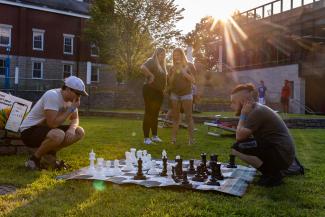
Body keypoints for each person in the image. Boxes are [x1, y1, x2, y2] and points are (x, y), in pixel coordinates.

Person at [229, 83, 296, 187]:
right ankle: (271, 171)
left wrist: (243, 114)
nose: (231, 106)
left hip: (282, 156)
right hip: (283, 154)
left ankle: (273, 175)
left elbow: (239, 137)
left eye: (233, 102)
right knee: (244, 145)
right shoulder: (256, 109)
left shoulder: (256, 112)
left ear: (243, 102)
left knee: (237, 148)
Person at [20, 76, 87, 170]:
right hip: (29, 131)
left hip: (46, 129)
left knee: (79, 132)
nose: (79, 97)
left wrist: (71, 129)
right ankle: (34, 160)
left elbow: (75, 118)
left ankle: (49, 157)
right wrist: (71, 109)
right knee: (58, 134)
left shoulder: (72, 101)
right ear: (68, 89)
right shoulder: (52, 95)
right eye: (78, 94)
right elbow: (52, 124)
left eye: (81, 95)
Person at [168, 48, 196, 145]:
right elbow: (170, 83)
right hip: (175, 94)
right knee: (175, 118)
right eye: (174, 55)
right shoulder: (172, 67)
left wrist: (183, 72)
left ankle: (191, 139)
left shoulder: (190, 65)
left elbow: (193, 80)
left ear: (182, 55)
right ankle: (173, 139)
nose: (176, 56)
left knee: (188, 117)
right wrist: (174, 72)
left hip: (186, 94)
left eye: (178, 54)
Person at [140, 48, 167, 145]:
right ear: (156, 54)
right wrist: (150, 75)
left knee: (155, 114)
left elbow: (164, 79)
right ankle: (146, 138)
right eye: (161, 54)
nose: (162, 56)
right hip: (149, 90)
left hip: (159, 92)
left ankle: (155, 136)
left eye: (164, 55)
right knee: (149, 113)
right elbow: (142, 67)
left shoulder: (162, 65)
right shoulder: (151, 61)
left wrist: (163, 89)